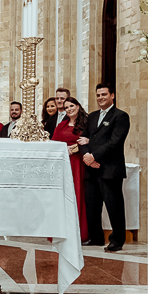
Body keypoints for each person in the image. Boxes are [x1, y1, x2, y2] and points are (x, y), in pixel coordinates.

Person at [81, 83, 129, 252]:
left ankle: (117, 241)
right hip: (91, 169)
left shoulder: (120, 116)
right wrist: (86, 157)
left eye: (104, 94)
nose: (100, 98)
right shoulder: (92, 116)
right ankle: (96, 237)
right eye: (98, 95)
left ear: (112, 96)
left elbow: (114, 142)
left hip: (110, 169)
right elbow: (83, 139)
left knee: (114, 207)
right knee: (92, 206)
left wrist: (93, 155)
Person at [53, 97, 91, 245]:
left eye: (71, 106)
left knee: (78, 194)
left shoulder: (86, 123)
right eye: (66, 107)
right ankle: (63, 230)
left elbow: (90, 140)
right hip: (64, 163)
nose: (69, 109)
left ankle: (79, 232)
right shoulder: (61, 125)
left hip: (78, 163)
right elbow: (54, 143)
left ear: (78, 106)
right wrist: (64, 149)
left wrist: (76, 148)